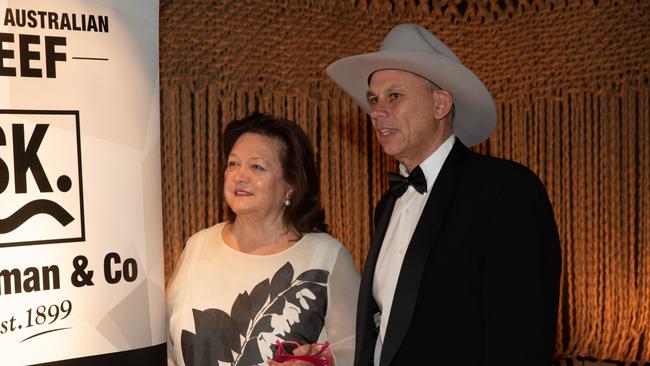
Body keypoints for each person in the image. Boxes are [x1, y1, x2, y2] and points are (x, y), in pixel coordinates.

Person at [326, 23, 561, 366]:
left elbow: (521, 339)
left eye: (394, 96)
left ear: (440, 104)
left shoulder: (506, 190)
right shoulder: (388, 205)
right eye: (373, 99)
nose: (376, 111)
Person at [167, 113, 360, 366]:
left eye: (257, 166)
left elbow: (358, 351)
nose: (239, 176)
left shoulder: (326, 257)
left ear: (291, 185)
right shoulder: (197, 246)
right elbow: (167, 349)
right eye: (233, 164)